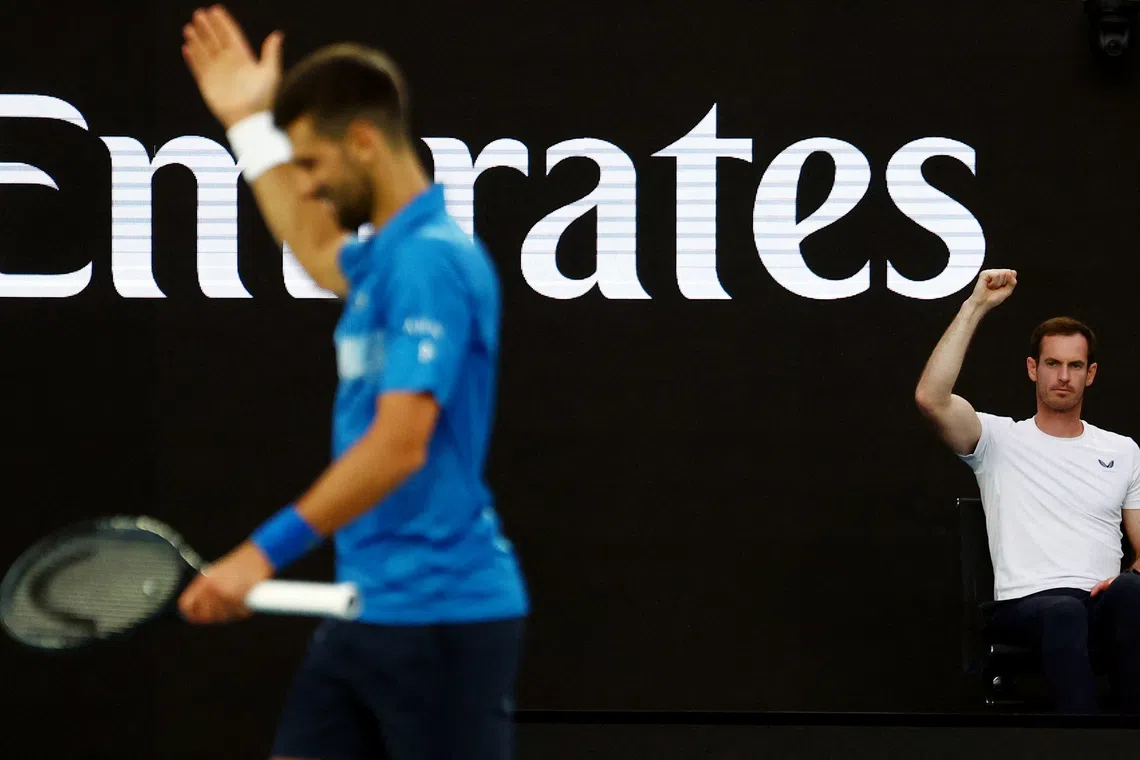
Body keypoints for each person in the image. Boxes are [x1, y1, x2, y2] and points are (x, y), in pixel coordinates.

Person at [175, 5, 529, 758]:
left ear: (363, 143)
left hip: (444, 626)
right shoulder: (390, 262)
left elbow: (400, 446)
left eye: (311, 165)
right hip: (367, 613)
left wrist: (260, 553)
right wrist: (247, 124)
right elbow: (312, 245)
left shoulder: (433, 262)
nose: (304, 188)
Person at [915, 268, 1140, 713]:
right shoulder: (998, 440)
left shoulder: (1123, 450)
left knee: (1134, 594)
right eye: (1053, 364)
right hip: (1028, 607)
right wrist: (975, 304)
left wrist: (1128, 577)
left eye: (1075, 365)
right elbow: (931, 397)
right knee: (1064, 612)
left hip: (1099, 601)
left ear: (1090, 374)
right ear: (1033, 369)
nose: (1063, 376)